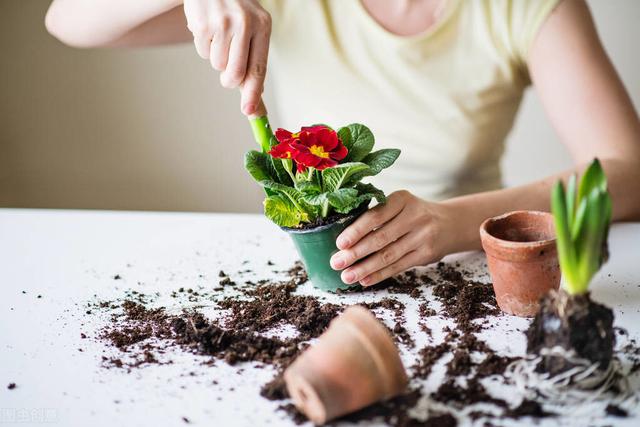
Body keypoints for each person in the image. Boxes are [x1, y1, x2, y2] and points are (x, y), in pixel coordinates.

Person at [45, 0, 640, 287]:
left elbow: (629, 172)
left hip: (465, 271)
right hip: (314, 275)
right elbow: (67, 22)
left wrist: (454, 225)